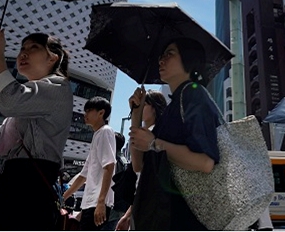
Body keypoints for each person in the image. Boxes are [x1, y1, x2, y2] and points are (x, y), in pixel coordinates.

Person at [0, 23, 74, 230]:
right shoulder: (26, 103)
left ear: (54, 57)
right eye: (21, 49)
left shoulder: (58, 87)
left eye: (33, 47)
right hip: (11, 182)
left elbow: (10, 101)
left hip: (31, 187)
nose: (23, 53)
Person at [128, 38, 222, 230]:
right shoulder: (172, 107)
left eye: (169, 54)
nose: (161, 60)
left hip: (183, 217)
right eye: (161, 56)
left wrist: (155, 143)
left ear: (189, 59)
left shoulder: (194, 95)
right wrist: (136, 116)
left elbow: (205, 162)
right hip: (161, 214)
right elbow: (139, 166)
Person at [116, 90, 167, 231]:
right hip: (141, 200)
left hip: (154, 205)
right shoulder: (146, 132)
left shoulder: (159, 134)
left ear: (155, 108)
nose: (139, 108)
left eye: (144, 105)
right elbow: (139, 173)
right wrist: (127, 215)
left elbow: (138, 167)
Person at [63, 97, 116, 231]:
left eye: (89, 110)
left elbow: (109, 166)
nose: (84, 114)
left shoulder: (105, 131)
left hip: (97, 203)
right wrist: (63, 197)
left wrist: (101, 201)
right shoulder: (98, 135)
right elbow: (83, 175)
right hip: (89, 204)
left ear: (101, 113)